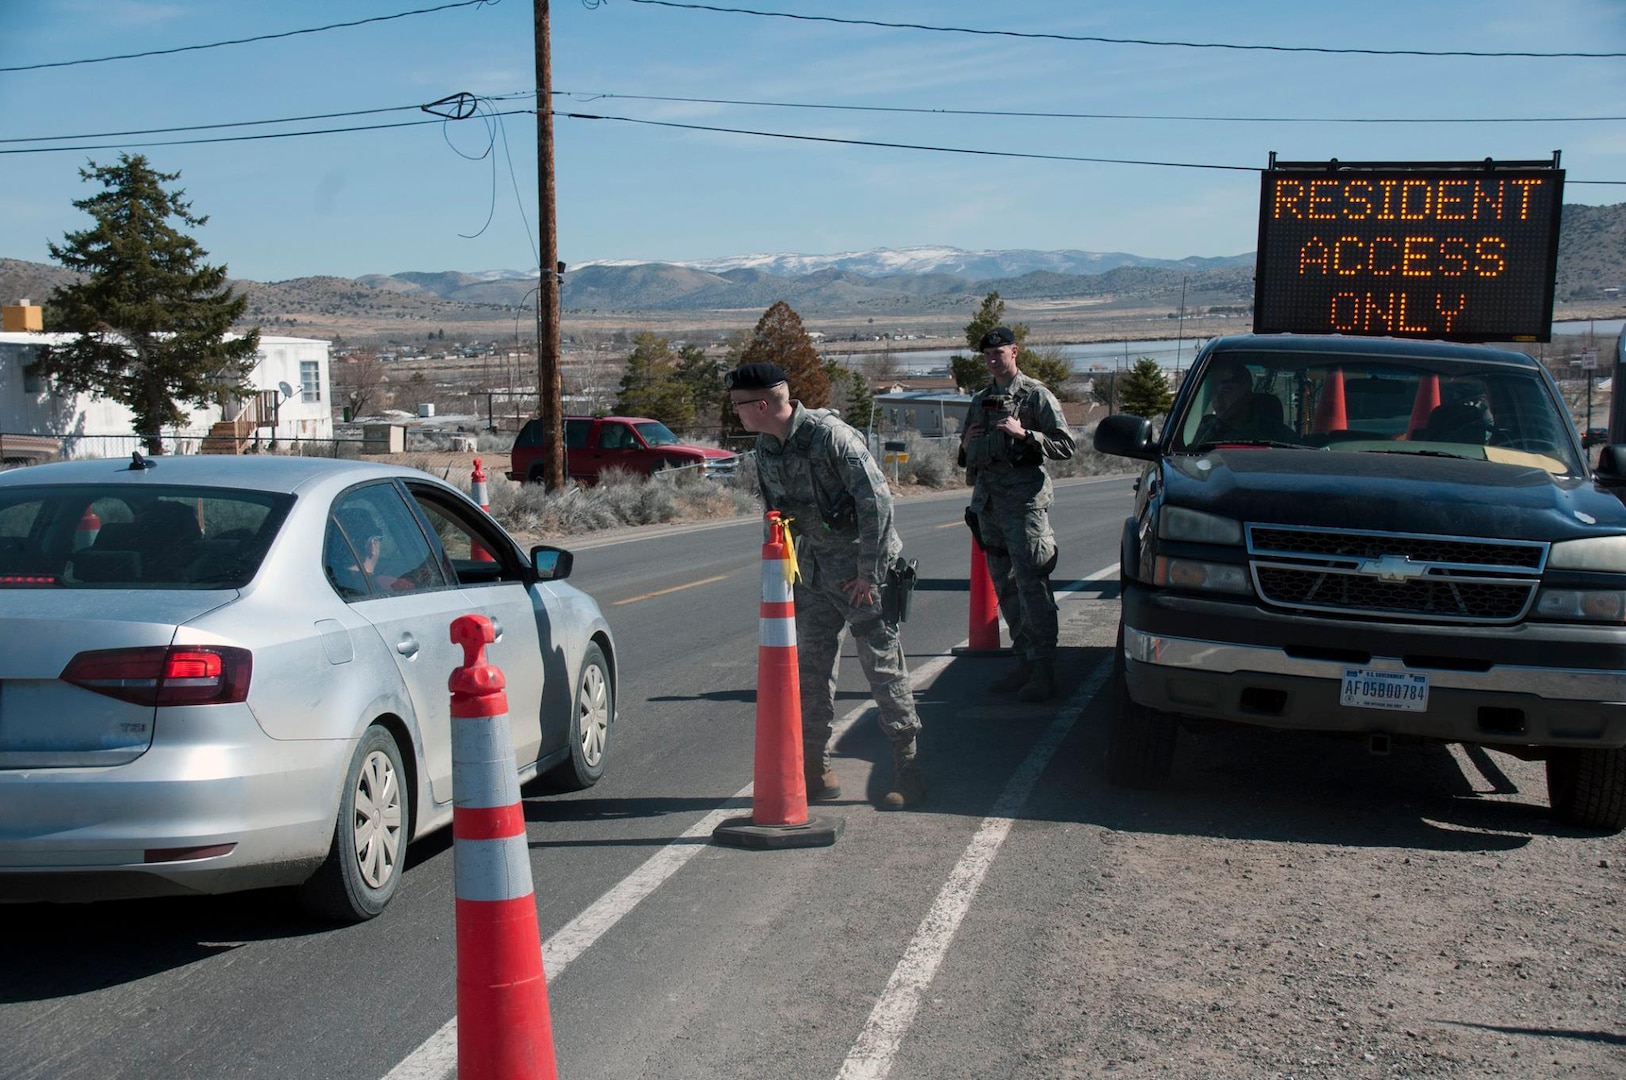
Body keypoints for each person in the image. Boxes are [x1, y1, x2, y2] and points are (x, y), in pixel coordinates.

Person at [728, 361, 925, 809]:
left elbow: (877, 502)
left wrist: (870, 575)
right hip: (812, 575)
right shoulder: (766, 447)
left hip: (861, 575)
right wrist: (777, 575)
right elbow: (773, 514)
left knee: (884, 671)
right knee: (811, 675)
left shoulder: (831, 437)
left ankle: (908, 768)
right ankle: (815, 768)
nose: (735, 414)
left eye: (739, 405)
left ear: (762, 403)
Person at [960, 326, 1076, 701]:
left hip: (1025, 507)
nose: (994, 359)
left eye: (1000, 353)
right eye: (988, 355)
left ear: (1015, 352)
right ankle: (1025, 660)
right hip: (990, 506)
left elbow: (1065, 445)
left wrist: (1025, 433)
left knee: (1032, 587)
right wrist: (968, 444)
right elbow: (966, 456)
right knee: (1005, 589)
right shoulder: (980, 400)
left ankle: (1044, 670)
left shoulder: (1035, 396)